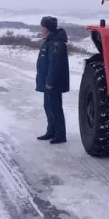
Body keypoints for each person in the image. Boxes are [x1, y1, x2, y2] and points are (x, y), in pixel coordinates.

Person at [36, 16, 69, 144]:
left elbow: (55, 65)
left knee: (55, 108)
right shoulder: (49, 41)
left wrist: (50, 82)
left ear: (47, 29)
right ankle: (51, 131)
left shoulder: (56, 44)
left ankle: (60, 135)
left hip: (53, 84)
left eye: (43, 27)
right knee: (48, 106)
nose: (42, 30)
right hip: (47, 84)